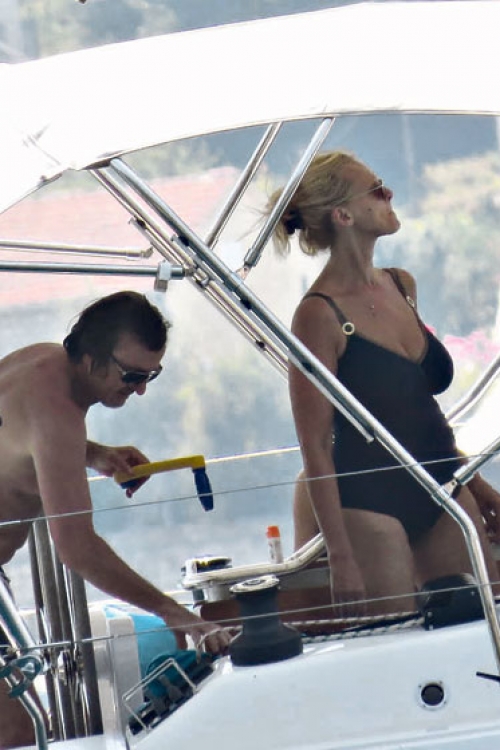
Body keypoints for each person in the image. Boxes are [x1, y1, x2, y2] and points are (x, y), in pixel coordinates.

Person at [266, 151, 500, 619]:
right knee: (397, 634)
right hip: (368, 504)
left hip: (442, 486)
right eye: (376, 189)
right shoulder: (316, 315)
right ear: (343, 215)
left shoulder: (401, 285)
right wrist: (340, 555)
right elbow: (315, 446)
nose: (389, 193)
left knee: (482, 626)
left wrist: (480, 487)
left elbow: (418, 414)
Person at [0, 290, 230, 748]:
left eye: (152, 376)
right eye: (133, 376)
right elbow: (77, 547)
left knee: (23, 728)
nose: (141, 389)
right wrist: (172, 611)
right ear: (90, 360)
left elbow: (20, 441)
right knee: (19, 731)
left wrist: (92, 454)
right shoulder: (57, 409)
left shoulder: (39, 363)